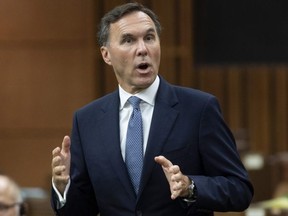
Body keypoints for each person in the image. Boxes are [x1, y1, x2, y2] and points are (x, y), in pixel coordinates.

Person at [51, 2, 253, 216]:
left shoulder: (199, 109)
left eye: (149, 38)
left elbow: (239, 190)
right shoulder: (87, 121)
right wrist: (63, 188)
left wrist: (190, 186)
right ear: (106, 55)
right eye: (128, 40)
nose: (142, 49)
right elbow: (81, 211)